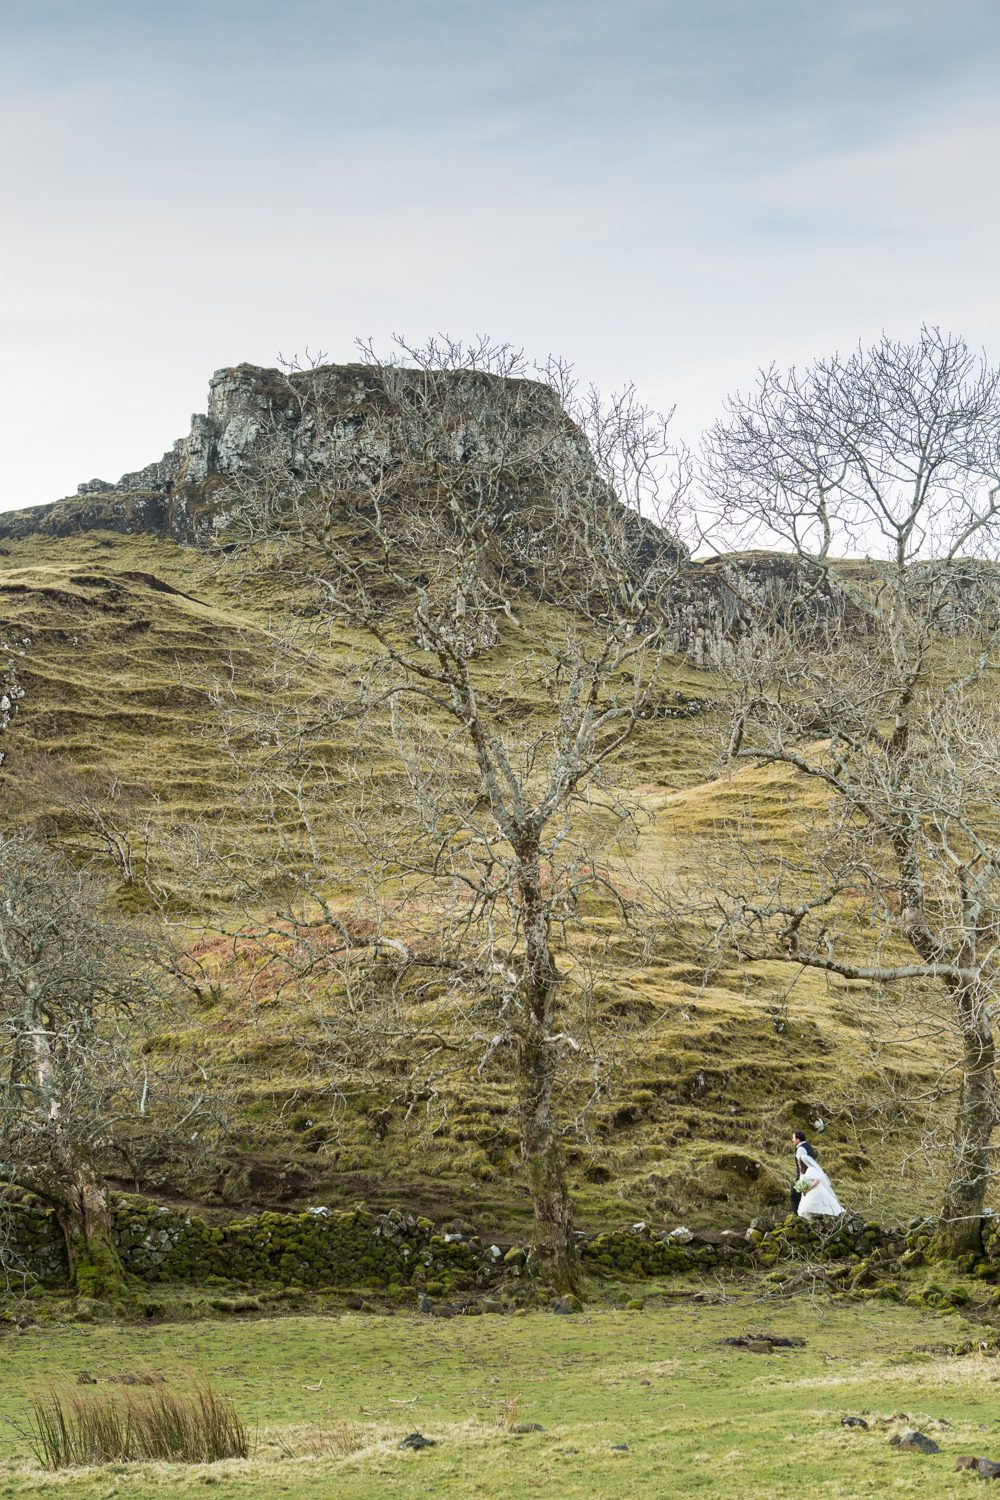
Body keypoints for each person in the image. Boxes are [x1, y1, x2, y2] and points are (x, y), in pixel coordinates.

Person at [795, 1147, 844, 1219]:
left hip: (815, 1190)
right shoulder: (803, 1173)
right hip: (807, 1193)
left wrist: (808, 1188)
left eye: (799, 1163)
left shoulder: (811, 1170)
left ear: (803, 1163)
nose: (798, 1165)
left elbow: (817, 1180)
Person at [789, 1131, 814, 1212]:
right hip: (811, 1174)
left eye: (793, 1138)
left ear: (798, 1139)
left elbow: (801, 1166)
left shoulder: (800, 1149)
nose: (792, 1139)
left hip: (804, 1176)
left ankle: (795, 1215)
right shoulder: (808, 1146)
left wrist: (800, 1179)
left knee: (794, 1195)